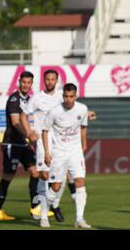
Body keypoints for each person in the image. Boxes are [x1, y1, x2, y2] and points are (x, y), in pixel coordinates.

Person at [0, 71, 40, 221]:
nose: (26, 85)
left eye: (28, 82)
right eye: (23, 82)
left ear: (32, 84)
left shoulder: (30, 99)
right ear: (19, 82)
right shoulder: (14, 99)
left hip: (23, 144)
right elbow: (15, 122)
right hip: (12, 143)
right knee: (8, 176)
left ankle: (35, 208)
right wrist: (29, 134)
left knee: (35, 172)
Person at [41, 83, 90, 229]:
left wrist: (84, 144)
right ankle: (44, 214)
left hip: (75, 152)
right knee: (55, 187)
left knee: (80, 183)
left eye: (71, 96)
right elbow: (44, 131)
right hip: (59, 153)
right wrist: (47, 152)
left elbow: (83, 127)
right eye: (66, 96)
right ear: (63, 96)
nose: (68, 99)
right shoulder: (54, 111)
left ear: (75, 96)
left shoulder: (82, 109)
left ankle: (79, 219)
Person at [20, 70, 65, 221]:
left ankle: (52, 204)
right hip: (42, 140)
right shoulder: (37, 98)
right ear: (44, 80)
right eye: (47, 79)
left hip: (60, 140)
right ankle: (43, 215)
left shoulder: (62, 97)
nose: (50, 82)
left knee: (60, 178)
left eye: (53, 79)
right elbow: (23, 115)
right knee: (44, 175)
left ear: (57, 80)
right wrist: (29, 132)